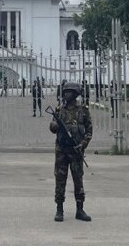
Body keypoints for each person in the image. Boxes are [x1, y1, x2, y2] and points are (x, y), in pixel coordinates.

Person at [49, 81, 92, 222]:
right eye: (65, 92)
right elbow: (52, 127)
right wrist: (54, 125)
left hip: (76, 151)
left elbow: (89, 130)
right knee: (60, 180)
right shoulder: (59, 110)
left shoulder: (83, 111)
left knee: (78, 180)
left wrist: (83, 144)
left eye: (69, 92)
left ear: (75, 94)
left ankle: (80, 209)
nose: (66, 94)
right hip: (62, 150)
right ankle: (59, 209)